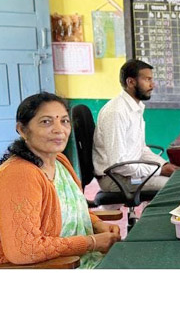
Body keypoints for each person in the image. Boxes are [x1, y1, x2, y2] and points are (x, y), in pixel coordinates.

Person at [0, 92, 120, 268]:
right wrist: (92, 242)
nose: (59, 130)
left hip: (83, 260)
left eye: (64, 121)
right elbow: (24, 250)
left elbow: (74, 209)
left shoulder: (60, 161)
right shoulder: (20, 174)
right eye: (46, 122)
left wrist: (97, 224)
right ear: (23, 130)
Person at [93, 59, 180, 193]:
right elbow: (118, 164)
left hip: (129, 173)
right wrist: (159, 170)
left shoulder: (135, 107)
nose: (152, 85)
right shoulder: (116, 112)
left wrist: (163, 164)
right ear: (131, 82)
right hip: (116, 179)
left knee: (177, 178)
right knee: (176, 185)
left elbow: (141, 149)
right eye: (147, 79)